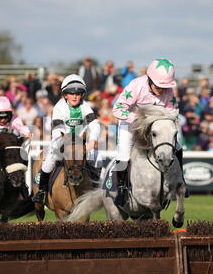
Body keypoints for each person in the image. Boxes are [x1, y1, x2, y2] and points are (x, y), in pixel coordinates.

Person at [111, 58, 188, 206]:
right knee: (123, 153)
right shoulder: (136, 86)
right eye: (159, 85)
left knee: (177, 147)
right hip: (131, 124)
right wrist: (140, 120)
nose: (162, 89)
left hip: (155, 128)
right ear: (150, 79)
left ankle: (180, 180)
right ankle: (121, 189)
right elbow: (117, 109)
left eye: (164, 86)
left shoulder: (169, 91)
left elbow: (171, 113)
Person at [32, 74, 101, 205]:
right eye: (71, 93)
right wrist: (65, 142)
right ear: (65, 94)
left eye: (78, 93)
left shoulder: (85, 106)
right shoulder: (59, 107)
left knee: (98, 158)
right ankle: (41, 192)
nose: (75, 96)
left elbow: (95, 124)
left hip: (80, 143)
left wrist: (92, 140)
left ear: (82, 95)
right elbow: (58, 131)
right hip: (62, 141)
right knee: (49, 162)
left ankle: (96, 190)